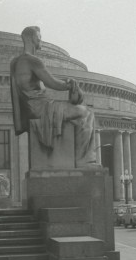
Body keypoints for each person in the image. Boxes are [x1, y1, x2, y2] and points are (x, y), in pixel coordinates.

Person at [10, 26, 96, 167]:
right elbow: (53, 83)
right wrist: (69, 84)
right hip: (41, 109)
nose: (41, 41)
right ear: (32, 38)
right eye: (39, 37)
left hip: (31, 109)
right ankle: (84, 161)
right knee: (86, 113)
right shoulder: (32, 61)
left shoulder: (15, 63)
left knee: (76, 111)